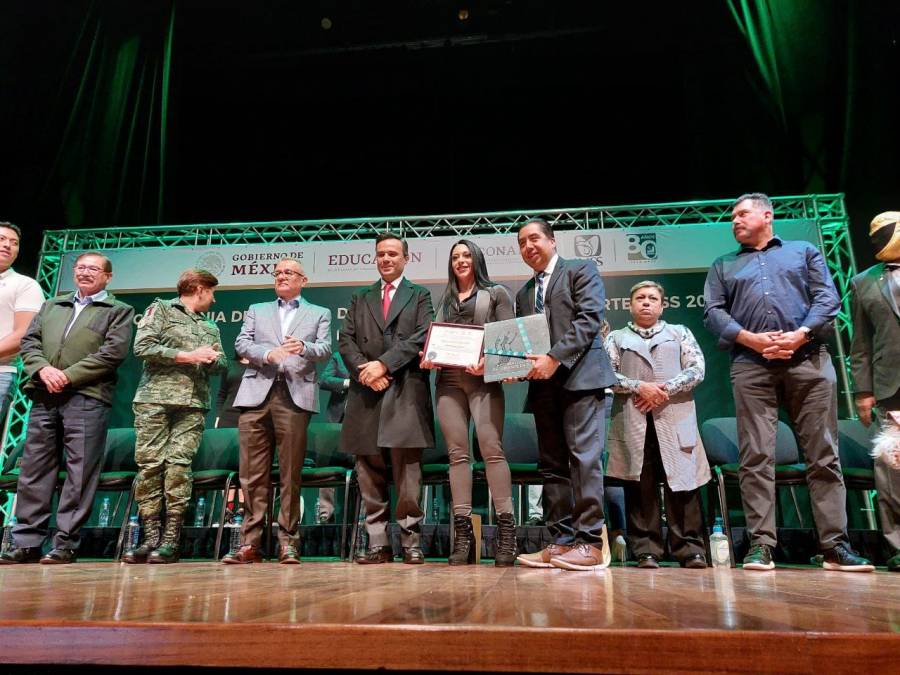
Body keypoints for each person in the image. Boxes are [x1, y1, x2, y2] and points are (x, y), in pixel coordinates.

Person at [704, 192, 873, 572]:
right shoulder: (724, 265)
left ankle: (835, 547)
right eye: (732, 217)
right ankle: (761, 545)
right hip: (751, 364)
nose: (735, 221)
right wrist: (750, 338)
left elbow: (827, 298)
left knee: (823, 455)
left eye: (742, 214)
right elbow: (712, 312)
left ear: (767, 215)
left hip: (808, 361)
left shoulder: (804, 251)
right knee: (756, 456)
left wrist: (800, 334)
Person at [0, 252, 133, 564]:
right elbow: (29, 343)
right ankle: (27, 542)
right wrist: (43, 370)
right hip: (44, 394)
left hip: (87, 396)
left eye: (93, 269)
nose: (85, 273)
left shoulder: (119, 310)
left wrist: (68, 376)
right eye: (81, 267)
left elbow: (112, 353)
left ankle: (65, 543)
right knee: (34, 470)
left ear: (108, 277)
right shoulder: (52, 305)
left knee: (80, 472)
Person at [514, 218, 618, 571]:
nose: (529, 247)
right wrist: (514, 367)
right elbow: (523, 341)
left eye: (535, 239)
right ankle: (561, 542)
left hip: (581, 379)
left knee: (584, 461)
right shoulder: (523, 293)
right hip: (543, 387)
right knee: (553, 466)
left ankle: (589, 544)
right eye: (522, 243)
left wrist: (555, 357)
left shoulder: (580, 270)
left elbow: (589, 320)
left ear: (553, 241)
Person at [222, 258, 331, 564]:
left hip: (294, 397)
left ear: (303, 280)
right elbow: (242, 344)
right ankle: (250, 543)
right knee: (251, 475)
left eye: (289, 273)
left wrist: (304, 348)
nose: (282, 276)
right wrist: (267, 353)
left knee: (290, 474)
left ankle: (288, 542)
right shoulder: (257, 309)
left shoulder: (319, 313)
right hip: (257, 394)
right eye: (278, 273)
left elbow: (324, 349)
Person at [420, 239, 517, 566]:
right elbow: (433, 340)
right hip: (447, 382)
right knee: (457, 455)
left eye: (466, 255)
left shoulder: (497, 294)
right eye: (455, 256)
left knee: (491, 449)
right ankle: (463, 535)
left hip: (483, 381)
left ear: (476, 259)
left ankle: (506, 533)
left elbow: (508, 340)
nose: (461, 260)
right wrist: (429, 357)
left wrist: (489, 362)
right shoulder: (444, 299)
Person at [339, 232, 434, 565]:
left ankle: (411, 542)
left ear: (406, 259)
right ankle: (378, 543)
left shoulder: (420, 295)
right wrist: (366, 372)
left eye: (393, 254)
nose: (386, 259)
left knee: (408, 473)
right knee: (368, 470)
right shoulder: (360, 296)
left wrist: (383, 364)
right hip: (367, 391)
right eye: (381, 254)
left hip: (405, 388)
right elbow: (346, 340)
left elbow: (422, 337)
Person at [605, 280, 711, 569]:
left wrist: (663, 389)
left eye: (653, 298)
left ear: (662, 305)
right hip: (633, 421)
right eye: (640, 297)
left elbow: (697, 369)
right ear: (630, 305)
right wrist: (640, 387)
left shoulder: (680, 333)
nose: (646, 302)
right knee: (640, 487)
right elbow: (607, 375)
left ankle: (690, 550)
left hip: (675, 418)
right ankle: (646, 550)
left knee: (683, 485)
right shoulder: (616, 337)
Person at [123, 269, 226, 564]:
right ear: (198, 289)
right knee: (150, 465)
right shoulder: (161, 310)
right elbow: (142, 347)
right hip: (155, 399)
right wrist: (187, 355)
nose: (214, 299)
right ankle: (150, 537)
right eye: (211, 292)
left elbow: (221, 363)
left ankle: (171, 539)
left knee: (179, 466)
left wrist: (210, 359)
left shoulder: (210, 327)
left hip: (193, 403)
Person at [849, 211, 900, 572]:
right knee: (892, 467)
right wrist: (863, 391)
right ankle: (897, 543)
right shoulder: (863, 282)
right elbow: (861, 343)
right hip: (890, 386)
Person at [0, 222, 43, 427]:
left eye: (14, 242)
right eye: (2, 239)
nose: (8, 245)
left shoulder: (25, 285)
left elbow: (23, 334)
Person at [314, 350, 350, 523]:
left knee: (367, 469)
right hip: (337, 420)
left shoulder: (372, 353)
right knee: (327, 464)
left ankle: (363, 516)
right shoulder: (339, 356)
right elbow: (324, 379)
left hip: (365, 421)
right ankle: (325, 514)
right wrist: (346, 382)